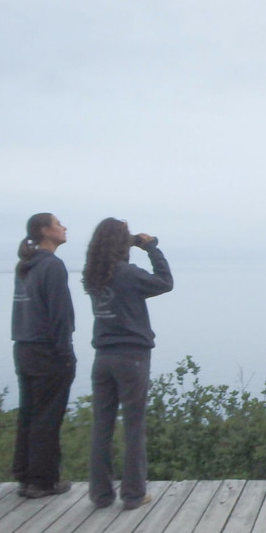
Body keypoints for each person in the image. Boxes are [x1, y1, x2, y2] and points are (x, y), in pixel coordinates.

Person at [82, 218, 173, 510]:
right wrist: (151, 248)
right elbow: (165, 282)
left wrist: (128, 243)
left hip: (102, 357)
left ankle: (100, 494)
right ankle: (133, 494)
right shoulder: (126, 273)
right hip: (132, 356)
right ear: (122, 242)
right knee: (134, 426)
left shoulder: (93, 274)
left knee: (102, 425)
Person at [11, 212, 76, 498]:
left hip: (24, 346)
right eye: (58, 224)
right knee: (48, 417)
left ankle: (25, 475)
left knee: (29, 414)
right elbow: (60, 315)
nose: (64, 227)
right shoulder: (52, 265)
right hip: (47, 350)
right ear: (45, 231)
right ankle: (43, 481)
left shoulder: (25, 265)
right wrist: (65, 353)